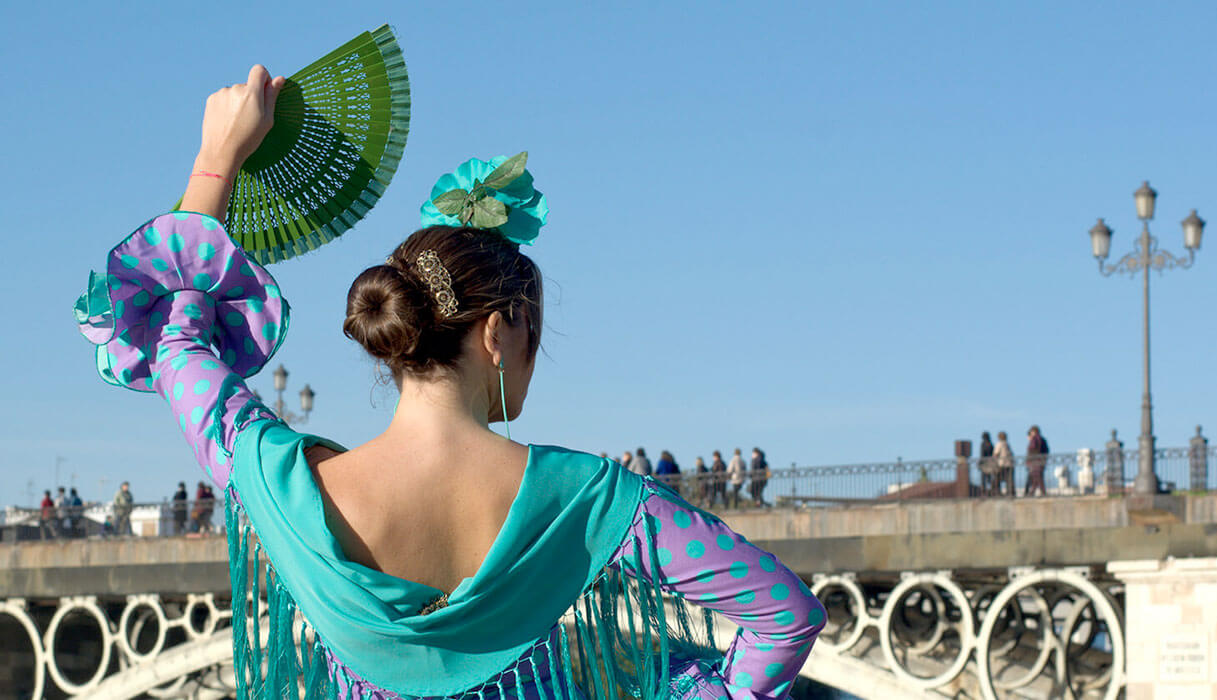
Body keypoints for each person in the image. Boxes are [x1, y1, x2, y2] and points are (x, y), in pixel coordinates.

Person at [74, 65, 823, 700]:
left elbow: (175, 338)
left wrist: (217, 159)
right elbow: (785, 617)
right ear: (498, 331)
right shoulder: (590, 500)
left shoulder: (272, 481)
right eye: (535, 332)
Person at [1025, 425, 1050, 497]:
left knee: (1037, 477)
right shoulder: (1043, 439)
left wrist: (1030, 458)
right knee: (1037, 477)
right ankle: (1032, 492)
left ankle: (1040, 492)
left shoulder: (1035, 439)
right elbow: (1047, 450)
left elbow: (1032, 448)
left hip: (1035, 461)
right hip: (1041, 460)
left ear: (1034, 432)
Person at [993, 431, 1015, 499]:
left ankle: (998, 492)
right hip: (1009, 464)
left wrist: (994, 461)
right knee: (1009, 479)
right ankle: (1009, 492)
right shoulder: (1007, 444)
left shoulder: (999, 444)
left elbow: (995, 454)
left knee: (997, 479)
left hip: (1002, 464)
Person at [978, 430, 998, 497]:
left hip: (984, 464)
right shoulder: (991, 444)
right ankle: (992, 491)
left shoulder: (983, 444)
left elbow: (982, 454)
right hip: (990, 463)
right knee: (989, 478)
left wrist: (979, 463)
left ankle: (984, 492)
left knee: (983, 479)